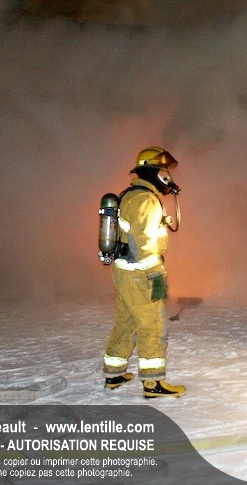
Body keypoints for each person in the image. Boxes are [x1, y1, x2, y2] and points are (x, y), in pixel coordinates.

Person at [103, 147, 186, 398]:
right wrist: (155, 273)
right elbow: (143, 243)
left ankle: (114, 374)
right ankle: (153, 383)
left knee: (127, 322)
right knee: (153, 325)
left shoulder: (131, 195)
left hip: (125, 271)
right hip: (140, 274)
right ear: (153, 172)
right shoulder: (146, 200)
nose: (167, 177)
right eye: (163, 171)